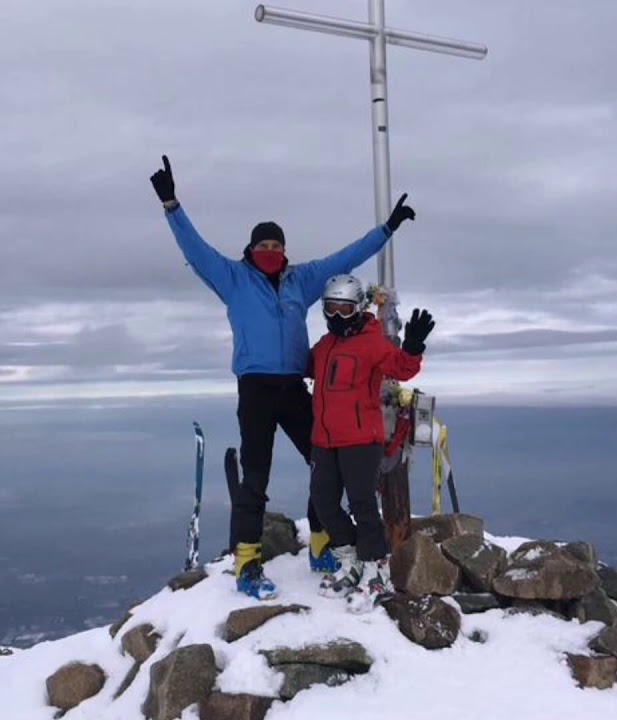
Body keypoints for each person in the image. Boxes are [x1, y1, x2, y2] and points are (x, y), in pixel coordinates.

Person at [150, 155, 417, 600]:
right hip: (255, 389)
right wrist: (172, 205)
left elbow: (346, 257)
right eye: (264, 246)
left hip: (295, 386)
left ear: (285, 250)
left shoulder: (301, 280)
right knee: (256, 476)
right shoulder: (232, 278)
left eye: (277, 246)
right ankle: (248, 562)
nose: (271, 252)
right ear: (251, 249)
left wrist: (386, 229)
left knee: (322, 463)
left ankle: (320, 542)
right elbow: (194, 250)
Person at [306, 274, 434, 613]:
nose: (337, 316)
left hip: (361, 439)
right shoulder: (324, 346)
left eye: (345, 309)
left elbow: (400, 368)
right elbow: (303, 366)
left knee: (362, 504)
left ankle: (376, 573)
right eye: (330, 308)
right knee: (323, 502)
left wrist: (413, 346)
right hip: (324, 438)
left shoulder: (371, 341)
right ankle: (350, 563)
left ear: (359, 308)